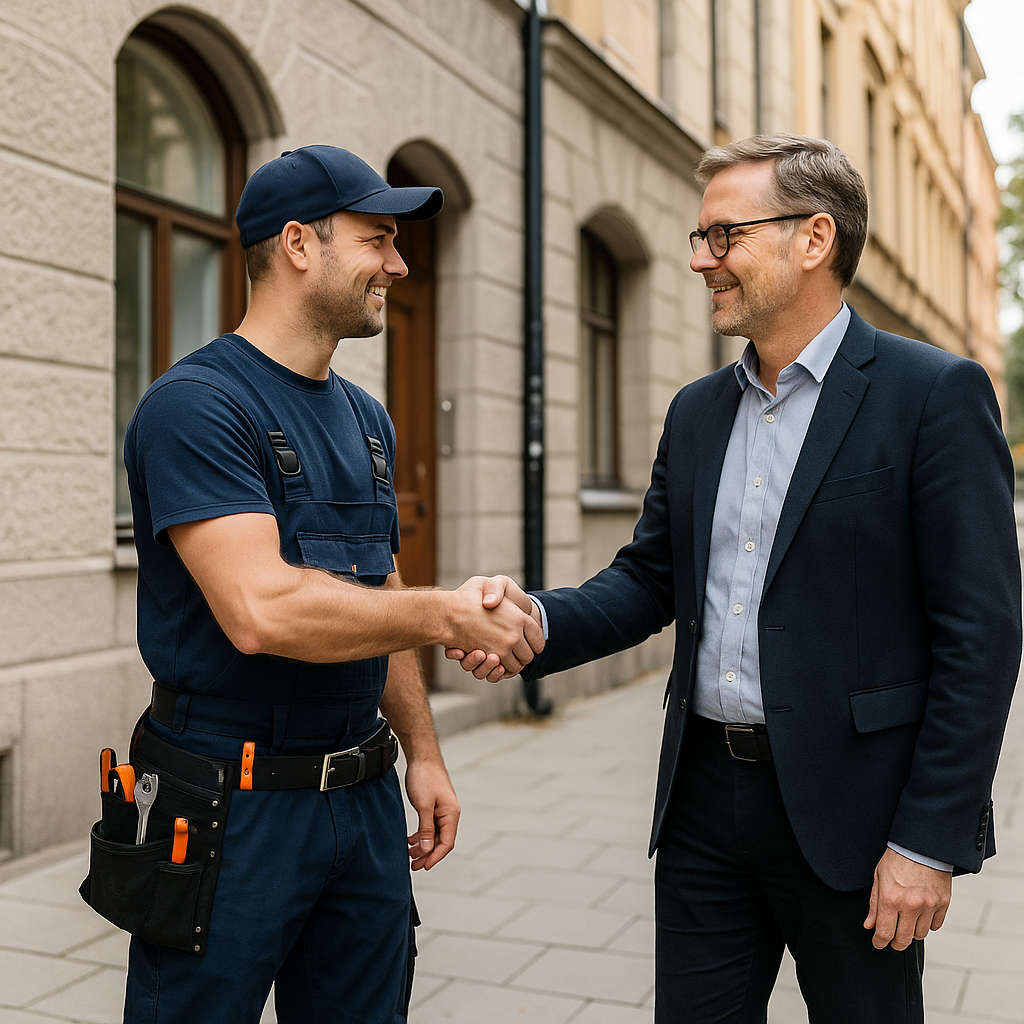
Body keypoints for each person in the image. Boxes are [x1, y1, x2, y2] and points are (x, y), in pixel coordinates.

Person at [450, 134, 1022, 1022]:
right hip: (703, 810)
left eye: (723, 236)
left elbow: (982, 636)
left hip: (857, 817)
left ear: (813, 238)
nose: (698, 260)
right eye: (698, 237)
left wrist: (929, 840)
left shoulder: (932, 394)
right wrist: (536, 623)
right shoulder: (698, 410)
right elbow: (647, 580)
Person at [96, 145, 543, 1024]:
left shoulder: (367, 419)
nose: (399, 263)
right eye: (378, 238)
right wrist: (446, 610)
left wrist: (422, 751)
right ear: (298, 244)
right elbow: (262, 610)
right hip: (228, 803)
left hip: (363, 800)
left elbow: (378, 585)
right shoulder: (196, 407)